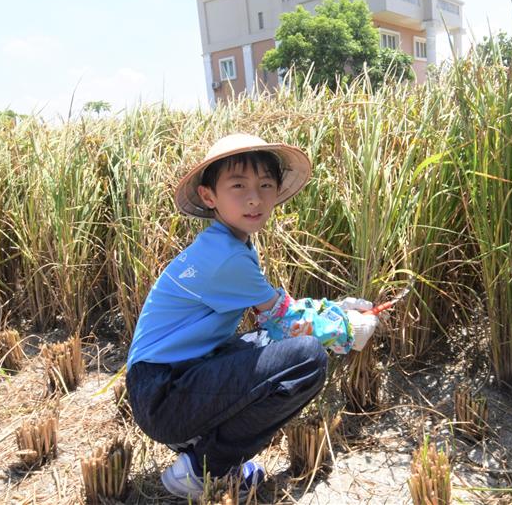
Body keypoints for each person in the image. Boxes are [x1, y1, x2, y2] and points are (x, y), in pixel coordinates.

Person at [125, 133, 379, 499]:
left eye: (265, 185)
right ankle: (203, 468)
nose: (254, 197)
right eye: (238, 185)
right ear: (209, 196)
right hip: (163, 394)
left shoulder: (227, 245)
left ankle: (204, 452)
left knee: (262, 344)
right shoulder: (225, 257)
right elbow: (287, 323)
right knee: (306, 359)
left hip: (168, 384)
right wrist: (344, 328)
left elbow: (278, 312)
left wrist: (335, 310)